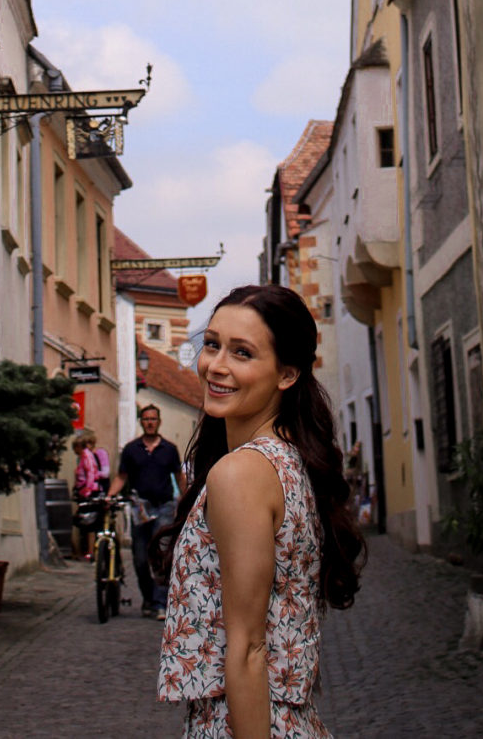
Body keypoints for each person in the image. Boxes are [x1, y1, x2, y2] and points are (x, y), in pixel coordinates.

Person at [155, 285, 364, 739]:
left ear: (286, 374)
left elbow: (248, 648)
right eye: (212, 344)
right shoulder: (288, 459)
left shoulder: (241, 473)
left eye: (243, 353)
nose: (216, 366)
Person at [108, 403, 184, 617]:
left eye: (153, 419)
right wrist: (110, 495)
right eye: (146, 419)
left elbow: (179, 477)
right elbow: (121, 477)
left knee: (160, 554)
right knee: (140, 558)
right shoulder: (131, 449)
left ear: (159, 422)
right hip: (140, 508)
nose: (150, 423)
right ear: (141, 422)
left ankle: (160, 603)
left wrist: (187, 500)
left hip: (164, 507)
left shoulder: (169, 449)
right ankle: (149, 599)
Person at [72, 430, 102, 560]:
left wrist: (87, 490)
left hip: (89, 492)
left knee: (89, 523)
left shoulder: (86, 456)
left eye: (75, 449)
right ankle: (87, 551)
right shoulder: (84, 456)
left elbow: (90, 473)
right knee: (86, 522)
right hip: (84, 491)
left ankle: (90, 552)